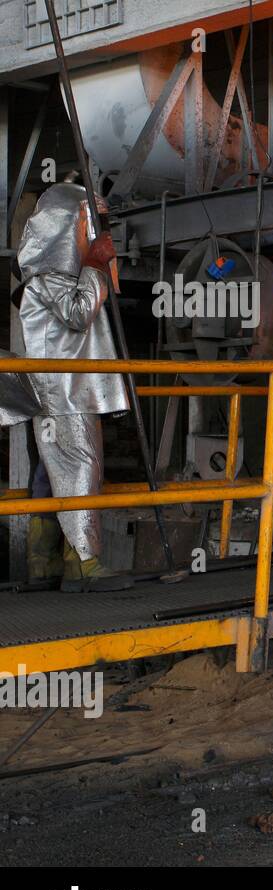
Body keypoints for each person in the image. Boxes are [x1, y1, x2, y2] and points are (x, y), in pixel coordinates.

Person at [12, 182, 132, 592]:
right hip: (63, 394)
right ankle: (82, 564)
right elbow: (78, 314)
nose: (95, 236)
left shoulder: (51, 277)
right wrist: (97, 266)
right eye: (89, 226)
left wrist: (97, 268)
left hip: (61, 391)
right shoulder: (49, 278)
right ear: (68, 227)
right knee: (81, 467)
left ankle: (43, 564)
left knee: (50, 476)